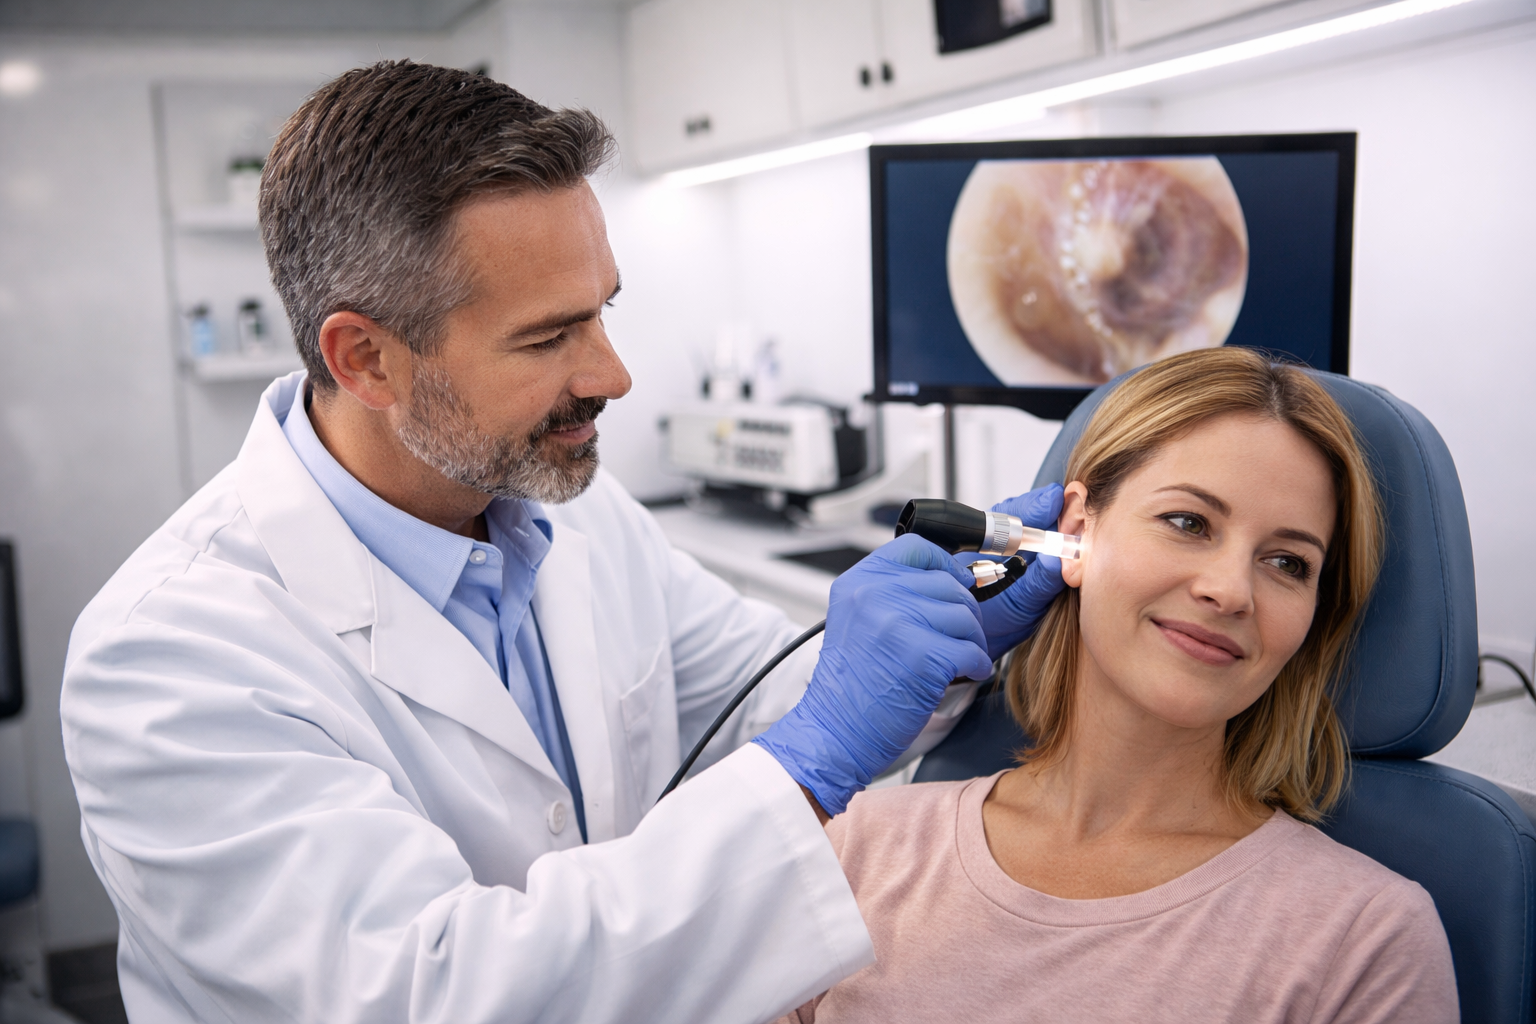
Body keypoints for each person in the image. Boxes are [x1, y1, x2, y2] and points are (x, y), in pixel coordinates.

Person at [59, 62, 1066, 1024]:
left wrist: (944, 651)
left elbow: (760, 699)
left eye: (602, 312)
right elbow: (436, 996)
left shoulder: (575, 512)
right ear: (364, 358)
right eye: (548, 337)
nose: (613, 375)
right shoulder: (171, 657)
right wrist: (813, 761)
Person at [778, 348, 1460, 1024]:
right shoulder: (858, 847)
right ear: (1077, 532)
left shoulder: (1365, 940)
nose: (1230, 591)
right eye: (1188, 523)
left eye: (1287, 562)